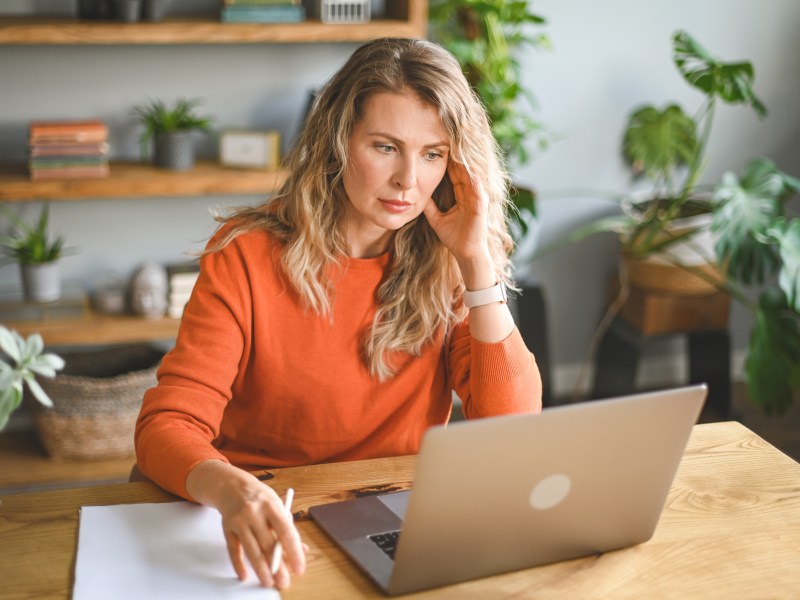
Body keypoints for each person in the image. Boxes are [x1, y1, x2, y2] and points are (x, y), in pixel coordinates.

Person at [135, 37, 543, 591]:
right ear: (337, 141)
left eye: (432, 154)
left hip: (391, 518)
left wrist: (476, 261)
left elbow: (512, 434)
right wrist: (233, 489)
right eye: (384, 146)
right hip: (260, 514)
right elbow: (169, 424)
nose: (408, 180)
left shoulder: (451, 263)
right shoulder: (245, 256)